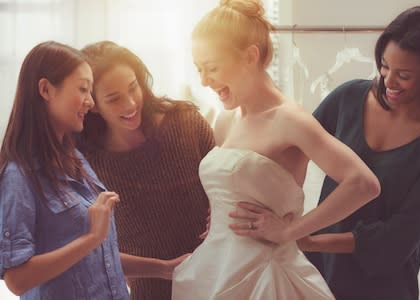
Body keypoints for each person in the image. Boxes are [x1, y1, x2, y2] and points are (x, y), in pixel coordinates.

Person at [233, 5, 420, 300]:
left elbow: (397, 239)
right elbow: (286, 152)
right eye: (384, 66)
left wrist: (304, 237)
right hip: (316, 275)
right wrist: (233, 199)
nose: (388, 81)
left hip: (382, 288)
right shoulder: (348, 98)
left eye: (404, 75)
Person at [172, 1, 381, 299]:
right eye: (199, 69)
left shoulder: (290, 120)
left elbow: (364, 184)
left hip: (267, 277)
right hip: (215, 268)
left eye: (212, 68)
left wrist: (289, 231)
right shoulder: (226, 118)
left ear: (250, 56)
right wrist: (219, 213)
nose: (204, 81)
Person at [0, 41, 188, 299]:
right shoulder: (19, 175)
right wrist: (90, 238)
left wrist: (165, 269)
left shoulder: (76, 159)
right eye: (82, 89)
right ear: (46, 89)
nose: (90, 102)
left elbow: (100, 256)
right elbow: (17, 279)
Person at [77, 41, 214, 299]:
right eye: (114, 99)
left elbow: (225, 186)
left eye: (133, 88)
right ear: (93, 104)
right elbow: (91, 248)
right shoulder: (87, 163)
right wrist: (162, 270)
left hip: (216, 274)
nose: (130, 104)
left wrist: (219, 210)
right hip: (149, 289)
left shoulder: (185, 122)